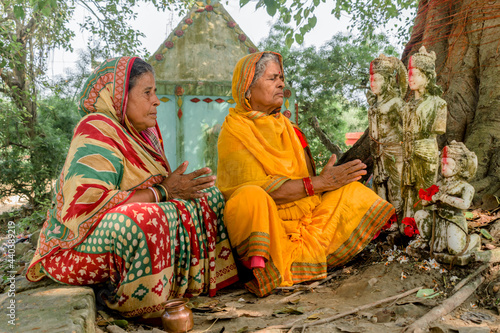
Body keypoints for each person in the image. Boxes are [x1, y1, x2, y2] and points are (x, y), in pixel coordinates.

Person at [26, 57, 238, 319]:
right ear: (121, 98)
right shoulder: (95, 129)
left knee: (208, 197)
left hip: (115, 229)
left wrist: (176, 188)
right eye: (147, 92)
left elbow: (163, 190)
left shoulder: (142, 134)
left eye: (156, 92)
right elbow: (87, 208)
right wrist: (164, 192)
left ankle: (188, 285)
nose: (156, 100)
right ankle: (137, 302)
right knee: (144, 220)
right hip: (76, 245)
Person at [216, 51, 395, 297]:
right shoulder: (234, 130)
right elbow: (262, 190)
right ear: (248, 88)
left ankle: (302, 263)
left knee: (353, 192)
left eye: (281, 77)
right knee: (250, 197)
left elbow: (306, 181)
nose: (281, 83)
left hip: (305, 215)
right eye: (272, 78)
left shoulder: (289, 128)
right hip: (269, 223)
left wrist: (324, 179)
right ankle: (269, 267)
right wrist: (319, 183)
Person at [402, 46, 447, 219]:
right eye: (409, 74)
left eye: (416, 74)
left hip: (426, 152)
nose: (410, 78)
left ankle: (426, 227)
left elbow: (438, 128)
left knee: (425, 190)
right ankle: (409, 225)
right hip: (408, 153)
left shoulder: (438, 103)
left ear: (427, 78)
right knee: (409, 190)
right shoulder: (407, 107)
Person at [367, 54, 407, 229]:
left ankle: (399, 223)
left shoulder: (396, 103)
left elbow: (407, 127)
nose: (373, 83)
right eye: (371, 79)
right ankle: (384, 223)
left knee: (395, 188)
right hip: (377, 152)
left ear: (389, 81)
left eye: (377, 79)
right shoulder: (373, 104)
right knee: (379, 186)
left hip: (394, 151)